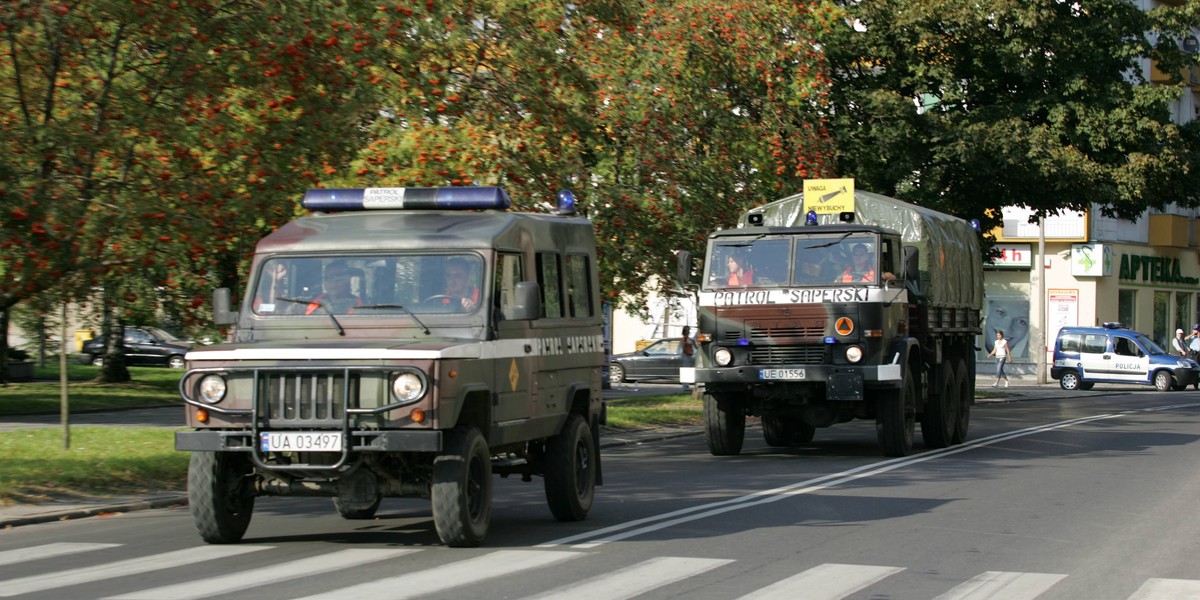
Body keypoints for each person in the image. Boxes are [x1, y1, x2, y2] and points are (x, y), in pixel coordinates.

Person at [680, 325, 695, 391]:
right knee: (686, 370)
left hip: (689, 355)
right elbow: (683, 348)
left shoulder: (689, 338)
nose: (689, 331)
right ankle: (685, 386)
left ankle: (687, 385)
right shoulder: (684, 338)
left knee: (688, 370)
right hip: (686, 355)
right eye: (687, 330)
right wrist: (688, 353)